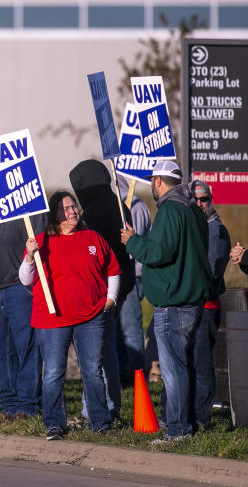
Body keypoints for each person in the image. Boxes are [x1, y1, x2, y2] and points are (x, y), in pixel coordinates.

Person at [121, 160, 212, 445]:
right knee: (186, 365)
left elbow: (159, 251)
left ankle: (178, 429)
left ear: (159, 182)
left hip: (173, 304)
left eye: (152, 181)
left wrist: (132, 241)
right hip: (192, 300)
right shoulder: (194, 211)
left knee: (173, 370)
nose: (152, 186)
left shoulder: (170, 211)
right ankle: (190, 422)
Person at [20, 190, 121, 440]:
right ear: (54, 215)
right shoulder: (40, 241)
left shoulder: (92, 237)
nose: (73, 211)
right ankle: (54, 423)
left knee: (93, 370)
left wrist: (111, 298)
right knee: (54, 372)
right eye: (66, 208)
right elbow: (25, 279)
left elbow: (113, 269)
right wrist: (30, 256)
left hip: (91, 316)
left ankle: (99, 421)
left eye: (74, 206)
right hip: (52, 319)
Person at [69, 159, 135, 425]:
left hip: (99, 289)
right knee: (106, 349)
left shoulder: (95, 212)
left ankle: (94, 410)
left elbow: (89, 253)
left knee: (93, 352)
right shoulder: (120, 205)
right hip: (119, 285)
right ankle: (110, 405)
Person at [0, 209, 46, 420]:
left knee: (27, 347)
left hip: (19, 287)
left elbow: (41, 244)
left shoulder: (33, 212)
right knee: (1, 350)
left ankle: (28, 404)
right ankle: (9, 404)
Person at [190, 180, 231, 429]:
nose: (199, 203)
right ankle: (191, 411)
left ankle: (202, 417)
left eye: (203, 199)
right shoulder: (196, 227)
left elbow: (212, 269)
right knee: (190, 362)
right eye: (194, 199)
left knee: (203, 363)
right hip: (192, 305)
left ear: (210, 200)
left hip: (206, 305)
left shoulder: (215, 229)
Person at [112, 173, 151, 387]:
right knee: (121, 327)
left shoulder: (129, 207)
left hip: (131, 274)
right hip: (137, 272)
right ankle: (126, 371)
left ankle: (134, 374)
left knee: (129, 328)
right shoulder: (142, 206)